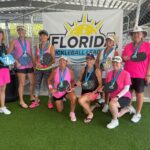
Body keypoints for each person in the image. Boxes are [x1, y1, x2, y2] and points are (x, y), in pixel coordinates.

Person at [122, 26, 150, 123]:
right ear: (132, 35)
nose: (136, 35)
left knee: (139, 94)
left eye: (138, 33)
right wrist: (124, 58)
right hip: (128, 74)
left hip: (140, 75)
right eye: (134, 33)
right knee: (128, 93)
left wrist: (148, 74)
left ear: (142, 35)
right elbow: (123, 58)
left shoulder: (147, 45)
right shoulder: (128, 46)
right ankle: (129, 107)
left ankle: (138, 113)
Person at [7, 25, 35, 109]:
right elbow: (8, 54)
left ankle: (31, 96)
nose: (21, 32)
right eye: (20, 30)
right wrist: (16, 62)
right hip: (20, 66)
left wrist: (34, 63)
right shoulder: (14, 41)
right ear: (18, 32)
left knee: (32, 82)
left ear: (25, 32)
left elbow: (31, 53)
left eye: (23, 30)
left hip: (29, 64)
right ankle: (21, 101)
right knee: (22, 84)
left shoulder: (28, 41)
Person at [106, 56, 135, 129]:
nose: (115, 64)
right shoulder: (109, 73)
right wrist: (103, 88)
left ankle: (115, 121)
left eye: (117, 62)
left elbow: (126, 89)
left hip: (124, 96)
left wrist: (117, 97)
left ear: (121, 64)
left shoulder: (126, 74)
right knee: (116, 114)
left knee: (112, 105)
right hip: (113, 97)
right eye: (114, 62)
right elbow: (108, 86)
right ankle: (128, 109)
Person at [29, 30, 55, 109]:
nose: (43, 37)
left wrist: (45, 65)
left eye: (44, 35)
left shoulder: (51, 46)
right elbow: (36, 57)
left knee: (49, 86)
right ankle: (36, 101)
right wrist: (36, 64)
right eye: (41, 35)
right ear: (40, 37)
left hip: (47, 69)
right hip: (38, 69)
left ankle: (50, 102)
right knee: (37, 85)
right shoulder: (37, 46)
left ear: (47, 37)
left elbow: (53, 60)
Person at [48, 56, 77, 122]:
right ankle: (59, 99)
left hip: (66, 91)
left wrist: (72, 87)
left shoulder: (70, 71)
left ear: (66, 62)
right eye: (60, 61)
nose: (62, 62)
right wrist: (51, 88)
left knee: (74, 97)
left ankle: (72, 113)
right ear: (59, 62)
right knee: (60, 110)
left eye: (64, 61)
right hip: (57, 92)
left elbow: (72, 81)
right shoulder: (54, 71)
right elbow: (49, 80)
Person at [94, 35, 118, 113]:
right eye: (108, 40)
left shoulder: (115, 52)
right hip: (101, 73)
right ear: (106, 42)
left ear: (113, 43)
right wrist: (98, 68)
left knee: (107, 89)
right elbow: (97, 61)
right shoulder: (101, 51)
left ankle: (107, 104)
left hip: (110, 74)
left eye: (111, 41)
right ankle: (103, 99)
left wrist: (112, 71)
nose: (109, 42)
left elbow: (117, 63)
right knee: (101, 86)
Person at [77, 53, 102, 123]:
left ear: (94, 60)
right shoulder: (83, 69)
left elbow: (100, 84)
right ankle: (95, 105)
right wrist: (79, 82)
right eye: (87, 59)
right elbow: (80, 80)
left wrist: (94, 92)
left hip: (93, 92)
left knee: (80, 100)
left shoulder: (97, 70)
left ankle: (91, 114)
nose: (89, 61)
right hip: (84, 91)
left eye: (91, 59)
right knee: (85, 111)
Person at [0, 28, 11, 114]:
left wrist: (12, 62)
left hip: (5, 68)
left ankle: (2, 106)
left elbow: (6, 56)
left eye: (1, 34)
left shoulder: (3, 45)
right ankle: (3, 107)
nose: (0, 36)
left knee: (3, 89)